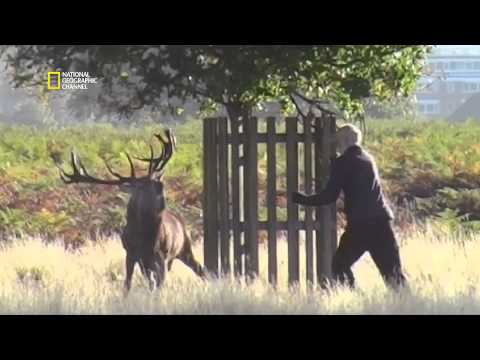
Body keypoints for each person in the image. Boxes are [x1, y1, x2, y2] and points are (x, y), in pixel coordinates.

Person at [292, 124, 407, 290]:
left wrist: (302, 199)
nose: (337, 146)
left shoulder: (343, 162)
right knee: (394, 275)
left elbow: (329, 195)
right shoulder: (368, 159)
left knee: (339, 265)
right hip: (382, 222)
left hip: (360, 226)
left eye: (338, 142)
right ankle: (408, 305)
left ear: (344, 141)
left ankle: (355, 298)